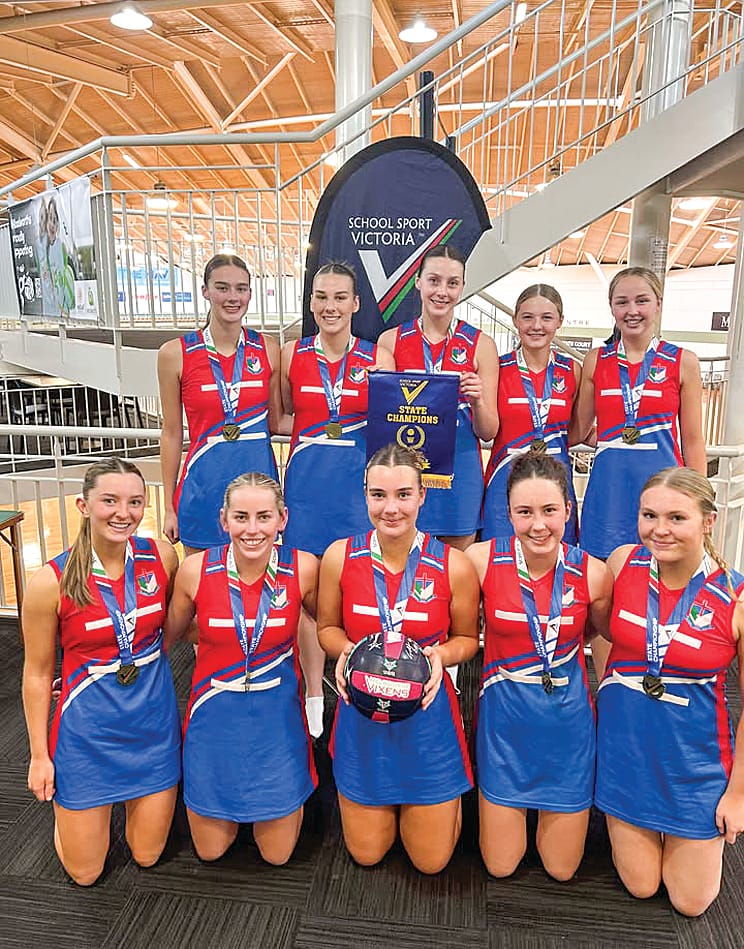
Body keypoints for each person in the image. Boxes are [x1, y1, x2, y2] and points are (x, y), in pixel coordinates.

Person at [317, 443, 480, 873]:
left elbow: (468, 638)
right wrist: (345, 650)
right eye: (379, 495)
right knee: (367, 854)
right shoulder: (339, 556)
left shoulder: (454, 565)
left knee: (432, 862)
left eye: (403, 494)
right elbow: (326, 629)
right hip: (362, 719)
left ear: (423, 495)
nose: (391, 508)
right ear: (365, 494)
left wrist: (440, 655)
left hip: (428, 720)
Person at [21, 458, 181, 886]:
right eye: (109, 500)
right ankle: (72, 815)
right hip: (87, 737)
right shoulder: (49, 583)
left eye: (134, 502)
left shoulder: (161, 557)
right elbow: (37, 675)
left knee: (147, 856)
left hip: (152, 728)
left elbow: (180, 627)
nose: (122, 512)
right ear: (83, 505)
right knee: (86, 873)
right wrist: (39, 756)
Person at [595, 467, 744, 916]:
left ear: (708, 521)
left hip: (693, 764)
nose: (659, 530)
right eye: (648, 515)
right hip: (626, 755)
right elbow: (605, 632)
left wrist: (738, 794)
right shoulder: (623, 563)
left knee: (691, 903)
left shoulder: (735, 597)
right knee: (641, 886)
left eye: (677, 518)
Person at [467, 452, 612, 880]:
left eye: (550, 511)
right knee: (500, 867)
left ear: (569, 509)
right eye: (524, 512)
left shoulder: (594, 574)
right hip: (504, 733)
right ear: (507, 513)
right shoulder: (479, 562)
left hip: (567, 733)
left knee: (562, 870)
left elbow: (597, 634)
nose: (538, 525)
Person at [164, 472, 319, 865]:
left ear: (282, 519)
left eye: (264, 517)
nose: (252, 529)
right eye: (241, 517)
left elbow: (328, 625)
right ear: (224, 520)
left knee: (279, 856)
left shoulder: (304, 568)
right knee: (210, 853)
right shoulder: (194, 571)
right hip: (213, 722)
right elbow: (172, 634)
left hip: (277, 725)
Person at [280, 262, 395, 736]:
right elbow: (279, 417)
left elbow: (392, 427)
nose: (330, 306)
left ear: (355, 304)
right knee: (306, 598)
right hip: (306, 490)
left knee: (357, 592)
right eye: (321, 297)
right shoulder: (290, 354)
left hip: (354, 491)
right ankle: (312, 691)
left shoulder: (378, 359)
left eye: (340, 297)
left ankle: (361, 679)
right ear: (311, 303)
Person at [574, 266, 705, 559]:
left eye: (642, 300)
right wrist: (610, 438)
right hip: (608, 494)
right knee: (603, 587)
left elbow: (693, 442)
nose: (632, 310)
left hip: (665, 493)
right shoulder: (596, 361)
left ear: (658, 304)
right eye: (622, 302)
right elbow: (578, 430)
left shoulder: (683, 361)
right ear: (612, 308)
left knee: (660, 583)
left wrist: (700, 502)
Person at [158, 253, 281, 556]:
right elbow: (171, 434)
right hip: (202, 492)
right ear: (205, 291)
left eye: (241, 289)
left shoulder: (269, 348)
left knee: (258, 597)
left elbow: (278, 421)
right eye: (222, 288)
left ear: (250, 294)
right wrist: (168, 507)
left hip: (259, 494)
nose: (232, 297)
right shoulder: (175, 353)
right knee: (201, 592)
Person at [378, 244, 499, 549]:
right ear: (418, 282)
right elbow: (383, 422)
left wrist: (478, 401)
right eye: (434, 280)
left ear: (461, 287)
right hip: (406, 474)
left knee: (459, 576)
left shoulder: (481, 344)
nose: (442, 291)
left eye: (452, 283)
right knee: (402, 572)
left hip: (460, 475)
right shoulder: (391, 341)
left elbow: (489, 431)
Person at [482, 284, 580, 544]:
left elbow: (577, 428)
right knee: (500, 566)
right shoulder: (497, 368)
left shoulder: (573, 371)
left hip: (556, 481)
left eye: (546, 318)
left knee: (558, 567)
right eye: (528, 317)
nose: (537, 326)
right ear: (515, 320)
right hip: (505, 478)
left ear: (560, 321)